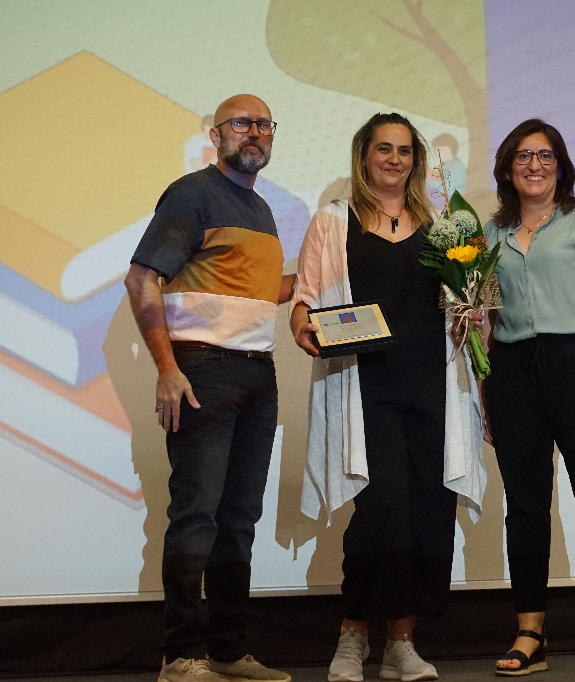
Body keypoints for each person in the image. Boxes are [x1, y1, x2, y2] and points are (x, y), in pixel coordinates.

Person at [290, 113, 485, 682]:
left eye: (404, 150)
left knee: (429, 513)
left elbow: (472, 302)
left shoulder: (445, 225)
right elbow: (305, 296)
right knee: (381, 511)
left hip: (434, 388)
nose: (394, 159)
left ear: (415, 160)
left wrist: (473, 315)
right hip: (365, 388)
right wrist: (302, 324)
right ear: (364, 156)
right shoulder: (333, 221)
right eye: (384, 148)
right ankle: (353, 634)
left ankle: (402, 641)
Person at [124, 94, 295, 682]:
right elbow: (142, 278)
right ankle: (181, 655)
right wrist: (167, 368)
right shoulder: (192, 193)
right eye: (242, 124)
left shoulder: (262, 210)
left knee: (239, 517)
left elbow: (257, 292)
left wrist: (322, 273)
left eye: (264, 125)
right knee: (197, 512)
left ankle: (225, 650)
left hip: (258, 372)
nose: (255, 133)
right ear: (216, 134)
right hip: (203, 368)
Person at [482, 119, 575, 677]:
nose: (535, 165)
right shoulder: (490, 233)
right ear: (507, 168)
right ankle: (531, 634)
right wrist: (485, 390)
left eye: (545, 156)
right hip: (511, 372)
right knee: (524, 507)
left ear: (561, 166)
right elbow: (486, 316)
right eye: (523, 156)